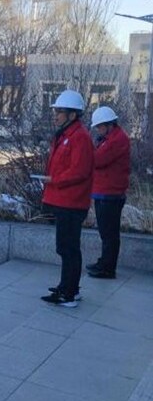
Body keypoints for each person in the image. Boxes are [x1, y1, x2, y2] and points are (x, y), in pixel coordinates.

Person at [41, 90, 94, 307]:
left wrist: (55, 180)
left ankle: (69, 293)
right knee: (66, 247)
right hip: (64, 200)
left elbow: (79, 171)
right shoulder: (66, 135)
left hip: (72, 202)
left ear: (72, 115)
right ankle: (68, 286)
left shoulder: (79, 137)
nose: (56, 116)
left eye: (59, 112)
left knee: (68, 248)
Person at [86, 106, 131, 279]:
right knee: (106, 233)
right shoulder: (110, 138)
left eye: (99, 126)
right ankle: (104, 262)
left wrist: (91, 149)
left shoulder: (117, 140)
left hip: (110, 193)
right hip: (105, 192)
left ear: (109, 124)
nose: (98, 130)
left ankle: (107, 267)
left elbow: (97, 160)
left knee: (109, 233)